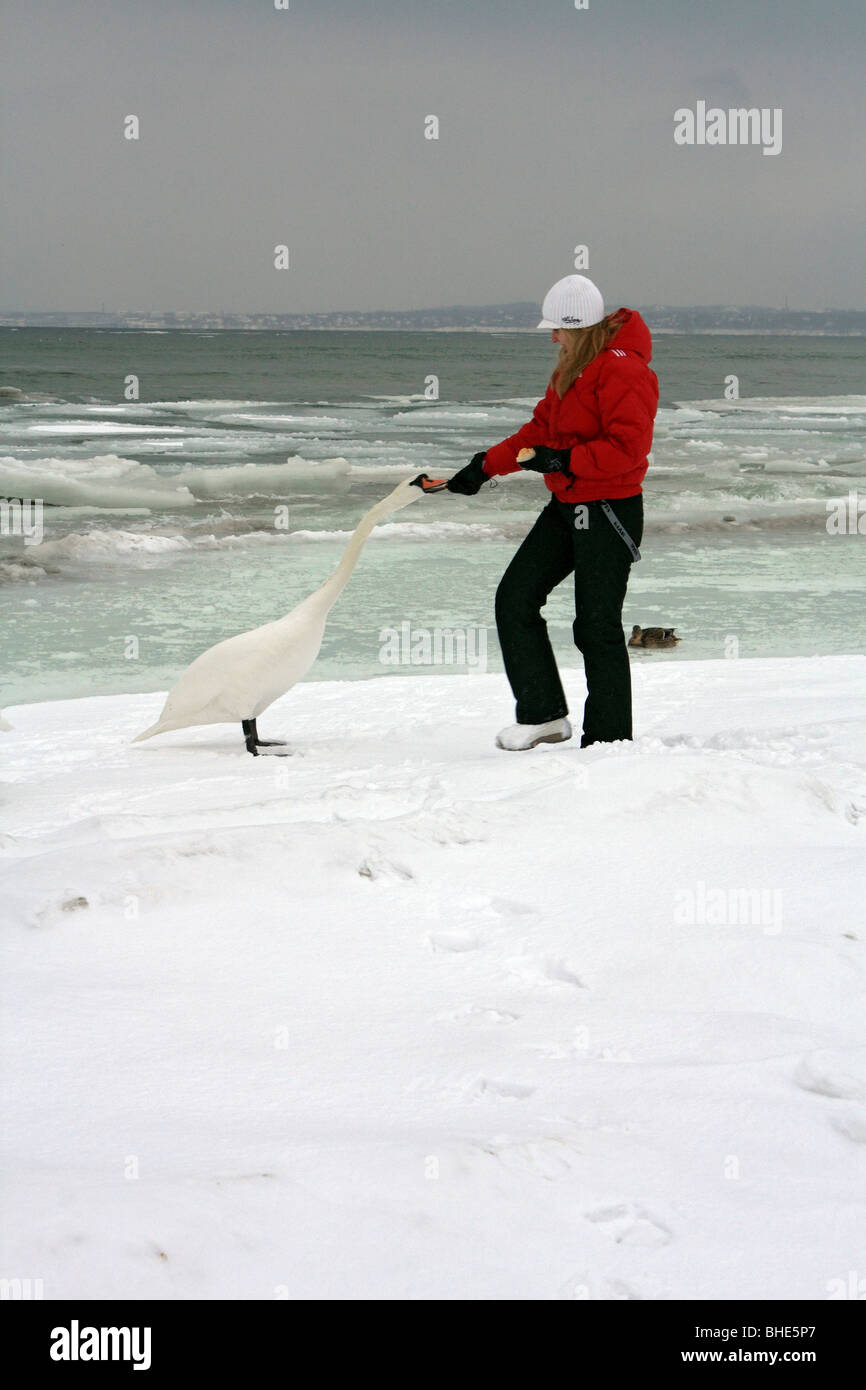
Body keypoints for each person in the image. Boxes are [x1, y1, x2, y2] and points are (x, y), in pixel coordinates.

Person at [448, 274, 659, 750]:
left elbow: (629, 448)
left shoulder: (623, 371)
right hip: (566, 504)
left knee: (595, 625)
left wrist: (565, 460)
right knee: (515, 599)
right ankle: (543, 716)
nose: (552, 337)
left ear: (580, 327)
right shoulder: (572, 368)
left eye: (558, 329)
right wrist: (484, 467)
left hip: (609, 508)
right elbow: (537, 432)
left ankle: (608, 740)